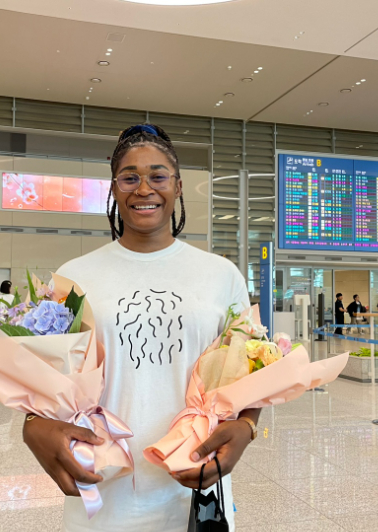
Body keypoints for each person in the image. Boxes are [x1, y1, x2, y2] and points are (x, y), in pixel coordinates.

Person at [22, 124, 259, 532]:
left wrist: (248, 426)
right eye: (130, 177)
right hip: (102, 489)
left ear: (178, 186)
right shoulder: (74, 277)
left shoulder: (221, 275)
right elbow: (45, 380)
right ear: (114, 188)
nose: (144, 188)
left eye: (158, 175)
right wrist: (31, 426)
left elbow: (256, 368)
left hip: (193, 486)